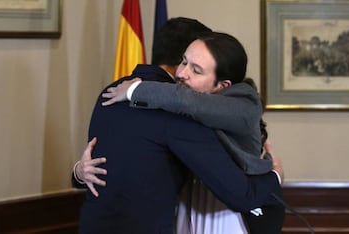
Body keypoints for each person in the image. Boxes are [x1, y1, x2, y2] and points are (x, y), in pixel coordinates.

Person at [73, 18, 284, 234]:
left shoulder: (110, 92)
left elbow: (102, 167)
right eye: (186, 62)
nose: (183, 74)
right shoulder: (178, 113)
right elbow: (240, 195)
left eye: (196, 68)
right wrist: (275, 175)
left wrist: (78, 172)